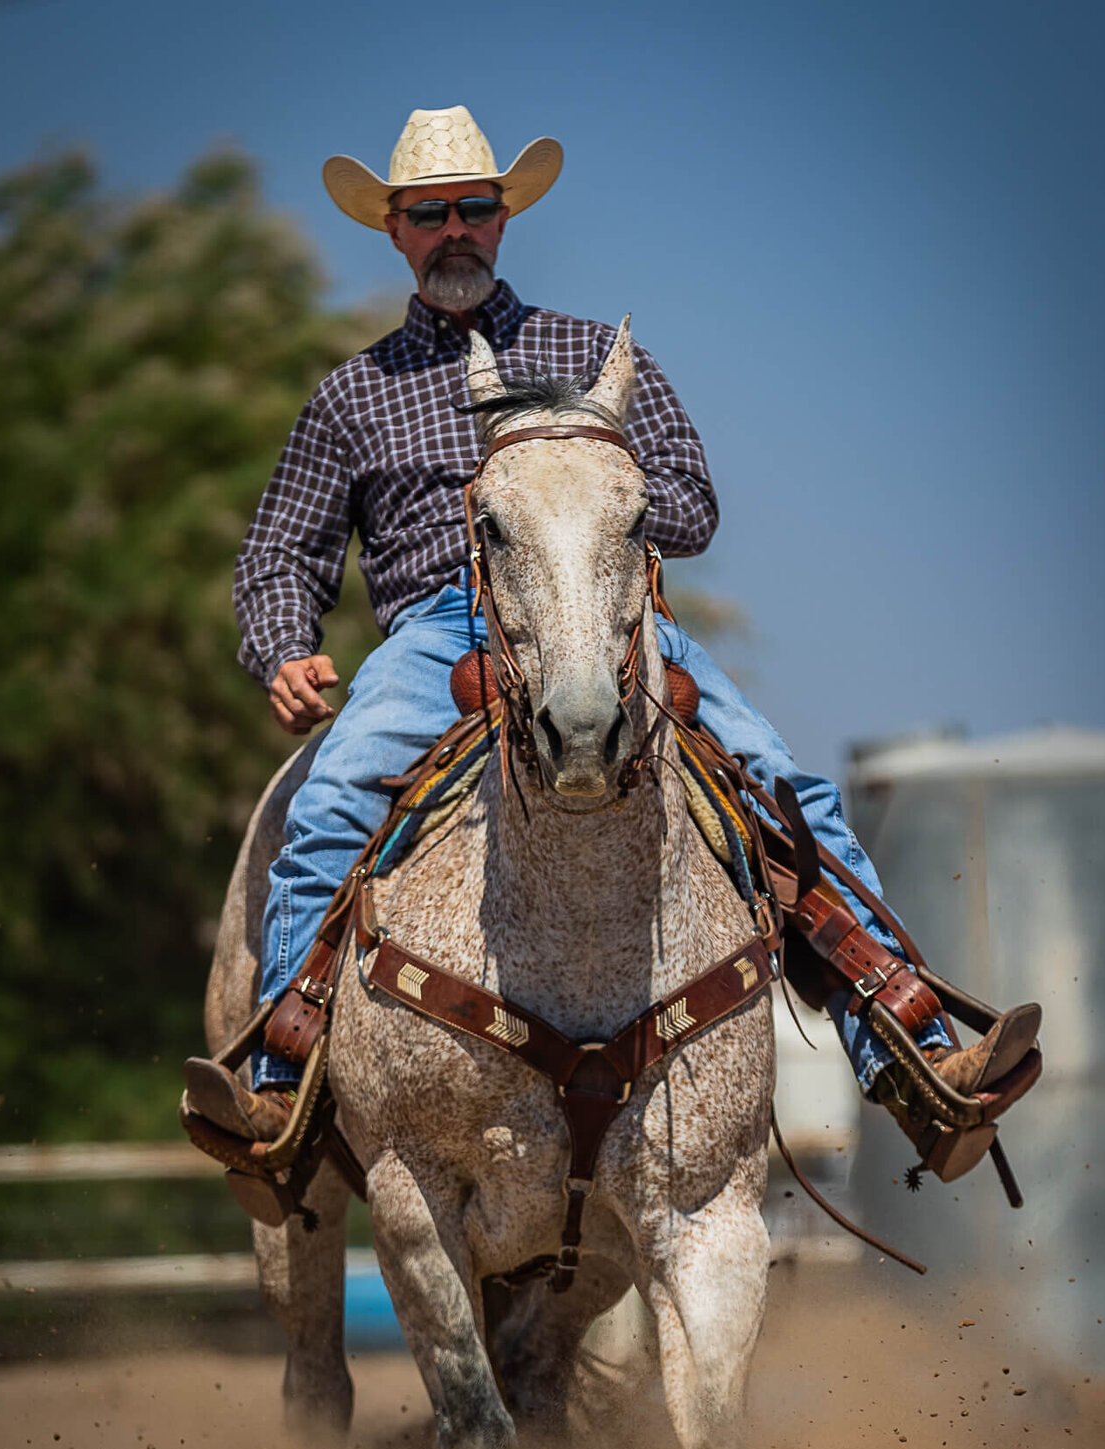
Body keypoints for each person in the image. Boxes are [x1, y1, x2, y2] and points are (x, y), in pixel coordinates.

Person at [185, 105, 1037, 1159]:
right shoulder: (351, 395)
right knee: (324, 806)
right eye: (430, 213)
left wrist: (605, 495)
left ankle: (904, 1050)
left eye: (474, 209)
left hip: (606, 616)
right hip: (437, 632)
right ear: (393, 230)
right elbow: (278, 552)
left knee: (780, 784)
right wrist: (283, 647)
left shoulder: (597, 357)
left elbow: (694, 502)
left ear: (504, 221)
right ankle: (286, 1082)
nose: (455, 229)